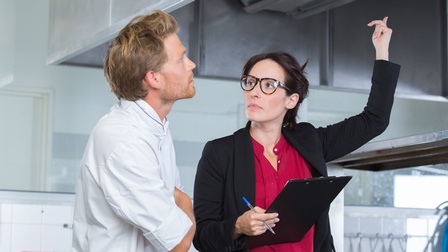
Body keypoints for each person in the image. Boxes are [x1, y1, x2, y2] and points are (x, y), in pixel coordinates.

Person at [192, 16, 400, 252]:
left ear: (291, 100)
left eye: (268, 85)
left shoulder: (310, 142)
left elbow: (374, 120)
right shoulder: (220, 152)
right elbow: (202, 237)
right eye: (250, 82)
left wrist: (381, 51)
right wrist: (238, 226)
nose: (254, 92)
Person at [72, 10, 196, 252]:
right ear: (153, 78)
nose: (191, 64)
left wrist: (179, 205)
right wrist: (185, 202)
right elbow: (179, 242)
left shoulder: (154, 126)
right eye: (181, 59)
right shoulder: (123, 138)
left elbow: (176, 216)